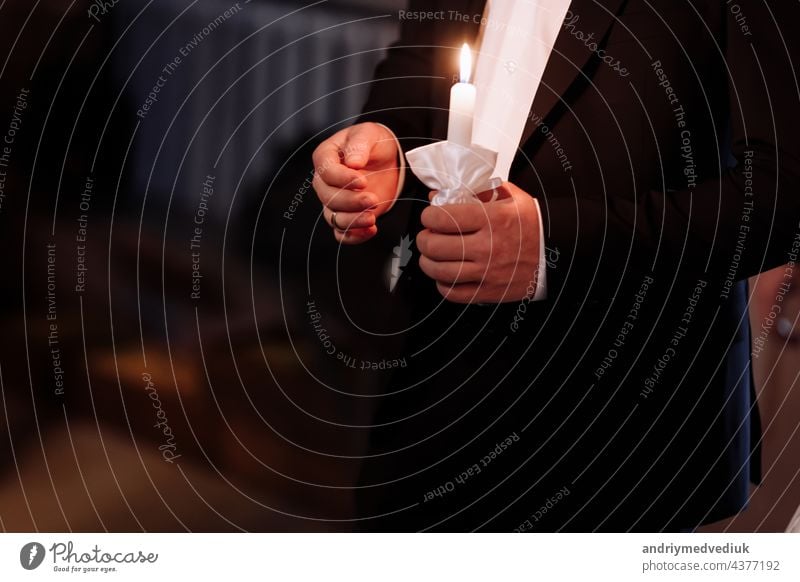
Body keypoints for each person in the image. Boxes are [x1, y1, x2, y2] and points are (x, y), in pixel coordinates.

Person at [312, 0, 800, 531]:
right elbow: (410, 96)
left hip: (622, 419)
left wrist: (551, 244)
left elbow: (786, 194)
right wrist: (384, 152)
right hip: (434, 387)